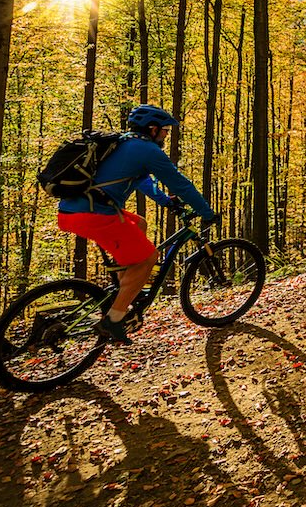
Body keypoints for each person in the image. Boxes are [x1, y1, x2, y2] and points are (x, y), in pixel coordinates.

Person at [58, 104, 217, 344]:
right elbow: (180, 184)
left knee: (139, 223)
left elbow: (143, 182)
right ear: (151, 129)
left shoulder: (123, 143)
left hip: (74, 210)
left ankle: (125, 291)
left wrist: (165, 202)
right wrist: (206, 212)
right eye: (164, 130)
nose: (165, 134)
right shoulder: (147, 150)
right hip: (94, 214)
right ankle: (113, 320)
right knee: (148, 257)